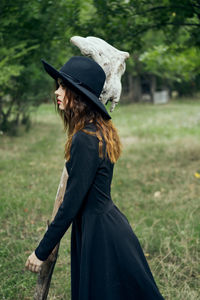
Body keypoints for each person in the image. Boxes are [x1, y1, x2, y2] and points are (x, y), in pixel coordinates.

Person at [25, 56, 164, 300]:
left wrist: (41, 251)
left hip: (102, 236)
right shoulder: (97, 130)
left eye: (63, 86)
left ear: (78, 95)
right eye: (57, 85)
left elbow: (70, 205)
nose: (57, 92)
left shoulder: (86, 138)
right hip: (102, 225)